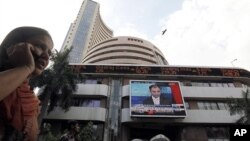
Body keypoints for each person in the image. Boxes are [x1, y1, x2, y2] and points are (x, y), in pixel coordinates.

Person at [0, 26, 53, 141]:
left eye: (49, 53)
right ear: (13, 45)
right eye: (40, 46)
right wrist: (26, 67)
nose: (46, 56)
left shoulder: (32, 102)